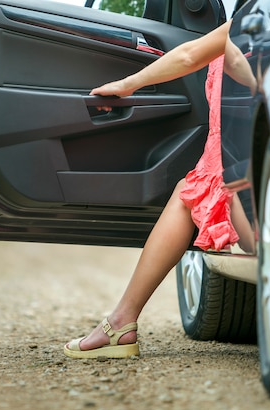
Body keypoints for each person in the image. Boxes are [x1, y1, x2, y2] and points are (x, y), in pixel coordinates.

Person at [64, 19, 256, 359]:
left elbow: (189, 55)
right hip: (256, 177)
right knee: (188, 191)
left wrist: (127, 84)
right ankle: (121, 320)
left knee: (189, 194)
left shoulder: (257, 18)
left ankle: (121, 322)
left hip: (261, 199)